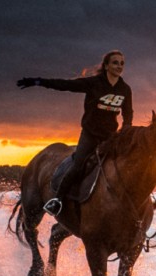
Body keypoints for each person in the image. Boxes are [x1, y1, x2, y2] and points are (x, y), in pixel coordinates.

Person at [17, 50, 133, 216]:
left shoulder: (125, 89)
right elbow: (65, 85)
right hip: (90, 135)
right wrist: (38, 81)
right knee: (78, 165)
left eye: (122, 63)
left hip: (110, 138)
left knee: (125, 165)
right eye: (115, 62)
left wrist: (126, 130)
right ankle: (58, 200)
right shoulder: (93, 83)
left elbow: (128, 114)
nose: (119, 66)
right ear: (106, 65)